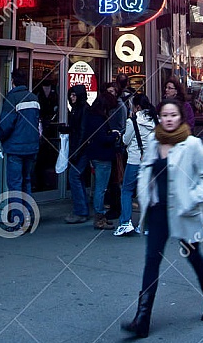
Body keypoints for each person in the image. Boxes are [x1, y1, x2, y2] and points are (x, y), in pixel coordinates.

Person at [120, 99, 203, 338]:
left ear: (181, 117)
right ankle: (142, 318)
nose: (169, 119)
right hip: (158, 211)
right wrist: (145, 194)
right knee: (151, 260)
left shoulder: (192, 144)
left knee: (193, 256)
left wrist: (192, 198)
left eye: (173, 115)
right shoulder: (154, 141)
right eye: (165, 115)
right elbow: (145, 170)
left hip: (184, 211)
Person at [0, 70, 40, 231]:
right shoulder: (34, 98)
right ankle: (27, 219)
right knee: (26, 181)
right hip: (31, 147)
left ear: (13, 82)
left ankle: (17, 221)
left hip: (15, 147)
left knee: (15, 184)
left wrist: (1, 138)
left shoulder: (12, 98)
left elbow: (6, 124)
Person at [114, 93, 158, 237]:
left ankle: (125, 222)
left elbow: (126, 140)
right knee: (148, 192)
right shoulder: (155, 119)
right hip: (151, 160)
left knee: (127, 190)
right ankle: (147, 225)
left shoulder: (132, 121)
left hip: (135, 159)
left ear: (137, 107)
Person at [85, 91, 127, 230]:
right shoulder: (99, 118)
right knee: (101, 188)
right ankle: (99, 217)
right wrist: (114, 135)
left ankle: (100, 216)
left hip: (96, 155)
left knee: (100, 187)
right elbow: (102, 138)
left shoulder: (92, 116)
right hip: (103, 156)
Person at [63, 84, 91, 223]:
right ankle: (82, 208)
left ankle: (80, 211)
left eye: (74, 95)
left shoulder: (83, 109)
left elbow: (83, 132)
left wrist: (76, 152)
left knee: (74, 176)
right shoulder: (77, 109)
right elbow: (78, 129)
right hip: (79, 148)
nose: (71, 97)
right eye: (71, 95)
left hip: (81, 149)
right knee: (78, 177)